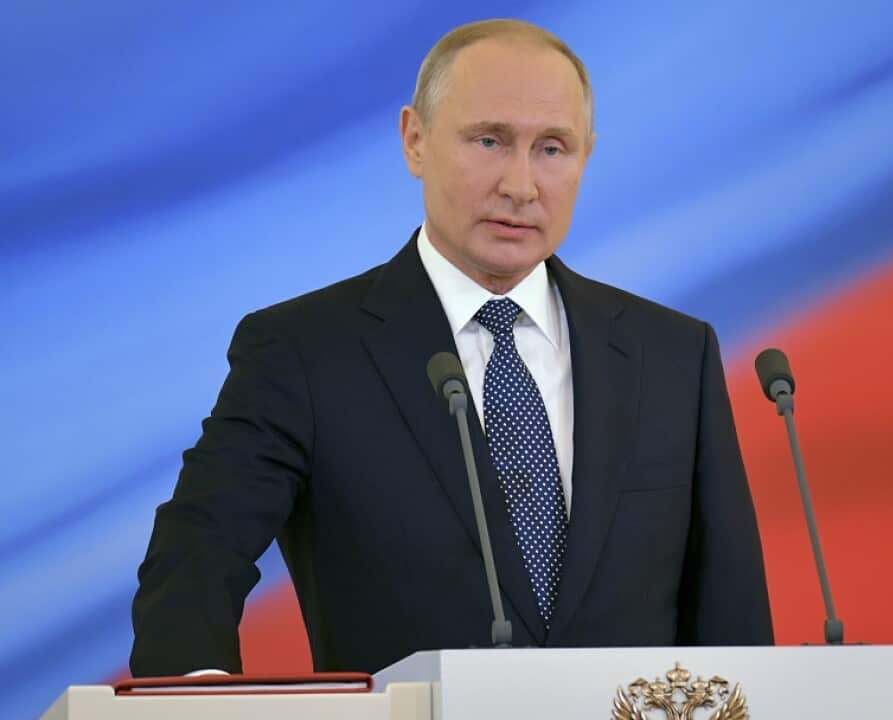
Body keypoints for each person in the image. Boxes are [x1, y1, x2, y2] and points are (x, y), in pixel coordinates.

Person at [130, 18, 773, 677]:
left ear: (586, 156)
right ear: (415, 140)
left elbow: (734, 619)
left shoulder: (673, 355)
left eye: (552, 148)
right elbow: (195, 556)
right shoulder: (303, 352)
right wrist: (193, 700)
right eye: (490, 141)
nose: (521, 185)